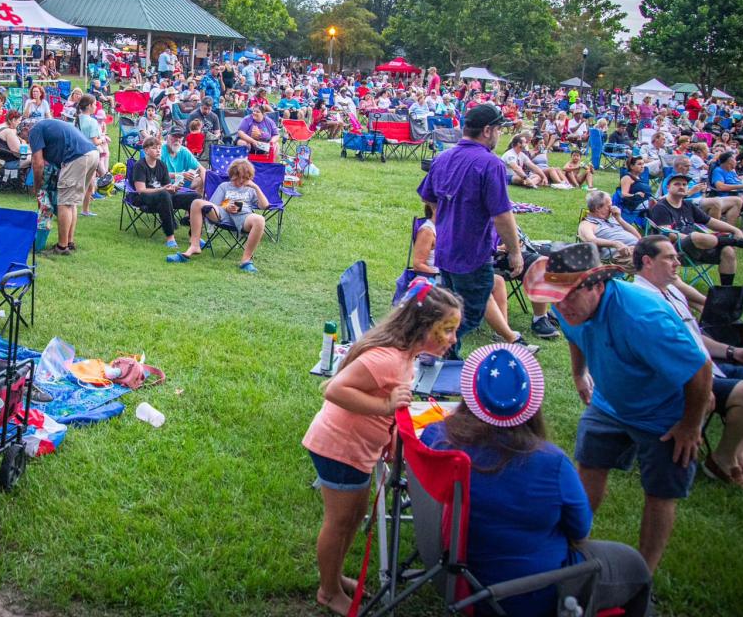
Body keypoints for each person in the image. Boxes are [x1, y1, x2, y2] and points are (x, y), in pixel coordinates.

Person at [422, 344, 652, 617]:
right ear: (531, 401)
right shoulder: (551, 463)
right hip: (534, 593)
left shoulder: (438, 440)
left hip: (460, 580)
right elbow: (580, 531)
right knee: (636, 567)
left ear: (470, 396)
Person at [524, 243, 712, 573]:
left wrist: (690, 425)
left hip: (663, 411)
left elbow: (700, 369)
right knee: (590, 465)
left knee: (659, 492)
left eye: (569, 295)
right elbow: (573, 333)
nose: (561, 305)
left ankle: (643, 574)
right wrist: (579, 372)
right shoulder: (567, 307)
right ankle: (572, 546)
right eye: (556, 295)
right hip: (609, 401)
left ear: (597, 285)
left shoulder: (642, 317)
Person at [302, 281, 462, 616]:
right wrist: (387, 406)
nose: (453, 339)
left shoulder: (407, 356)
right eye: (447, 330)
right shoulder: (387, 358)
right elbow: (333, 389)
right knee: (339, 520)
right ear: (424, 327)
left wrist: (389, 434)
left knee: (355, 515)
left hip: (357, 449)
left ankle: (333, 576)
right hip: (338, 448)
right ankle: (328, 591)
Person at [631, 235, 743, 490]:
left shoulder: (672, 291)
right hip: (683, 377)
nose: (678, 262)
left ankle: (737, 454)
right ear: (647, 261)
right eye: (670, 258)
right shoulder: (641, 300)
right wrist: (699, 384)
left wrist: (732, 352)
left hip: (708, 365)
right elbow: (657, 356)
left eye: (677, 257)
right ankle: (720, 460)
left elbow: (695, 337)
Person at [417, 105, 527, 357]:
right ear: (487, 130)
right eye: (499, 129)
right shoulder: (491, 164)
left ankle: (441, 358)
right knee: (471, 312)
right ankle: (430, 348)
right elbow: (502, 215)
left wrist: (449, 217)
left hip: (446, 249)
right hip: (472, 253)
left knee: (452, 309)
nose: (500, 135)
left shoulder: (443, 157)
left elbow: (430, 199)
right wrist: (515, 252)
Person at [409, 205, 539, 350]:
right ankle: (510, 338)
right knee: (483, 292)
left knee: (498, 281)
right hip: (435, 277)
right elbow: (418, 264)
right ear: (433, 208)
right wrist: (440, 269)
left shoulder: (448, 228)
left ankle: (502, 330)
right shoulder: (427, 231)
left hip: (455, 271)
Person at [648, 171, 743, 286]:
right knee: (695, 236)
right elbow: (668, 234)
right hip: (675, 250)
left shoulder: (688, 205)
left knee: (727, 251)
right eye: (677, 184)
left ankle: (725, 292)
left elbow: (710, 221)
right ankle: (737, 242)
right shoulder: (661, 207)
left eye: (684, 184)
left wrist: (735, 230)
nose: (681, 187)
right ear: (668, 187)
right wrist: (695, 238)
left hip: (697, 247)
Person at [167, 158, 268, 273]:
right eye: (237, 177)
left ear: (249, 177)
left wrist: (256, 187)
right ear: (232, 175)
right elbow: (214, 204)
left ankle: (246, 260)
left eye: (244, 178)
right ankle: (194, 245)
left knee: (260, 219)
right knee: (197, 202)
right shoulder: (224, 186)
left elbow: (265, 206)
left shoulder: (250, 190)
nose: (240, 181)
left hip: (244, 216)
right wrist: (227, 205)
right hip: (222, 213)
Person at [21, 118, 99, 255]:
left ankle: (61, 247)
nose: (27, 141)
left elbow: (37, 163)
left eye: (23, 137)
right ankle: (69, 242)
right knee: (71, 202)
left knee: (64, 203)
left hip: (77, 157)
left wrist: (37, 187)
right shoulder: (48, 125)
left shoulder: (35, 131)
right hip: (92, 154)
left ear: (26, 129)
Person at [131, 136, 200, 248]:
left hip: (164, 198)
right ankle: (170, 238)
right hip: (145, 199)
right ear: (146, 150)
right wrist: (163, 190)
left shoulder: (162, 165)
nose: (158, 150)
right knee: (164, 195)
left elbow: (167, 187)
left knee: (196, 197)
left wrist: (174, 188)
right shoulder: (140, 165)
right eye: (154, 148)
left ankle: (194, 237)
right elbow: (141, 190)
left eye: (159, 148)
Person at [73, 93, 109, 214]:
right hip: (89, 154)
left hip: (77, 154)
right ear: (89, 106)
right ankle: (85, 210)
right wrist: (103, 139)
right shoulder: (92, 121)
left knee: (81, 183)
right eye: (94, 104)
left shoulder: (77, 119)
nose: (96, 107)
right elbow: (94, 141)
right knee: (89, 184)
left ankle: (80, 209)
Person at [162, 129, 205, 194]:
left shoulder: (184, 150)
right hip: (164, 185)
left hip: (180, 184)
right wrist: (180, 175)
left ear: (182, 139)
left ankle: (195, 202)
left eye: (180, 137)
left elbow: (202, 169)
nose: (177, 139)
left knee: (200, 180)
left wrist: (206, 186)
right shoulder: (161, 151)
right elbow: (157, 174)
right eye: (174, 136)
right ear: (168, 137)